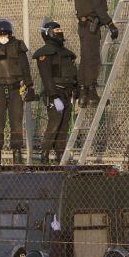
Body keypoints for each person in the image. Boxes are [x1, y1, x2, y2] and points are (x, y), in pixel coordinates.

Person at [0, 18, 37, 164]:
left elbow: (25, 67)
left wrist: (30, 86)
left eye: (5, 33)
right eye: (0, 34)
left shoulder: (18, 46)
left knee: (16, 123)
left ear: (10, 33)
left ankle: (17, 157)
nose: (3, 36)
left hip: (15, 89)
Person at [33, 19, 78, 164]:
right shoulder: (45, 53)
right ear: (49, 33)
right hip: (55, 93)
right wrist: (53, 96)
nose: (60, 33)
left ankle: (60, 155)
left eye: (60, 31)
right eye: (56, 31)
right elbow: (46, 77)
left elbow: (73, 74)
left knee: (64, 125)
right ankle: (44, 155)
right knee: (54, 123)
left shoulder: (67, 54)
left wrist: (75, 93)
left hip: (68, 93)